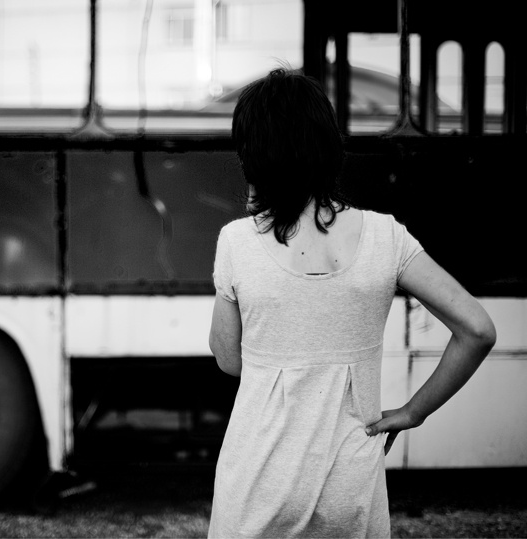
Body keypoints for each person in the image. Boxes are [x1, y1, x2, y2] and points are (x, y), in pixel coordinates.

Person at [207, 68, 496, 538]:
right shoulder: (386, 236)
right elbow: (477, 330)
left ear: (254, 157)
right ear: (327, 145)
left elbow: (228, 359)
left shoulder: (237, 241)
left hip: (257, 482)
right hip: (350, 485)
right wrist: (414, 411)